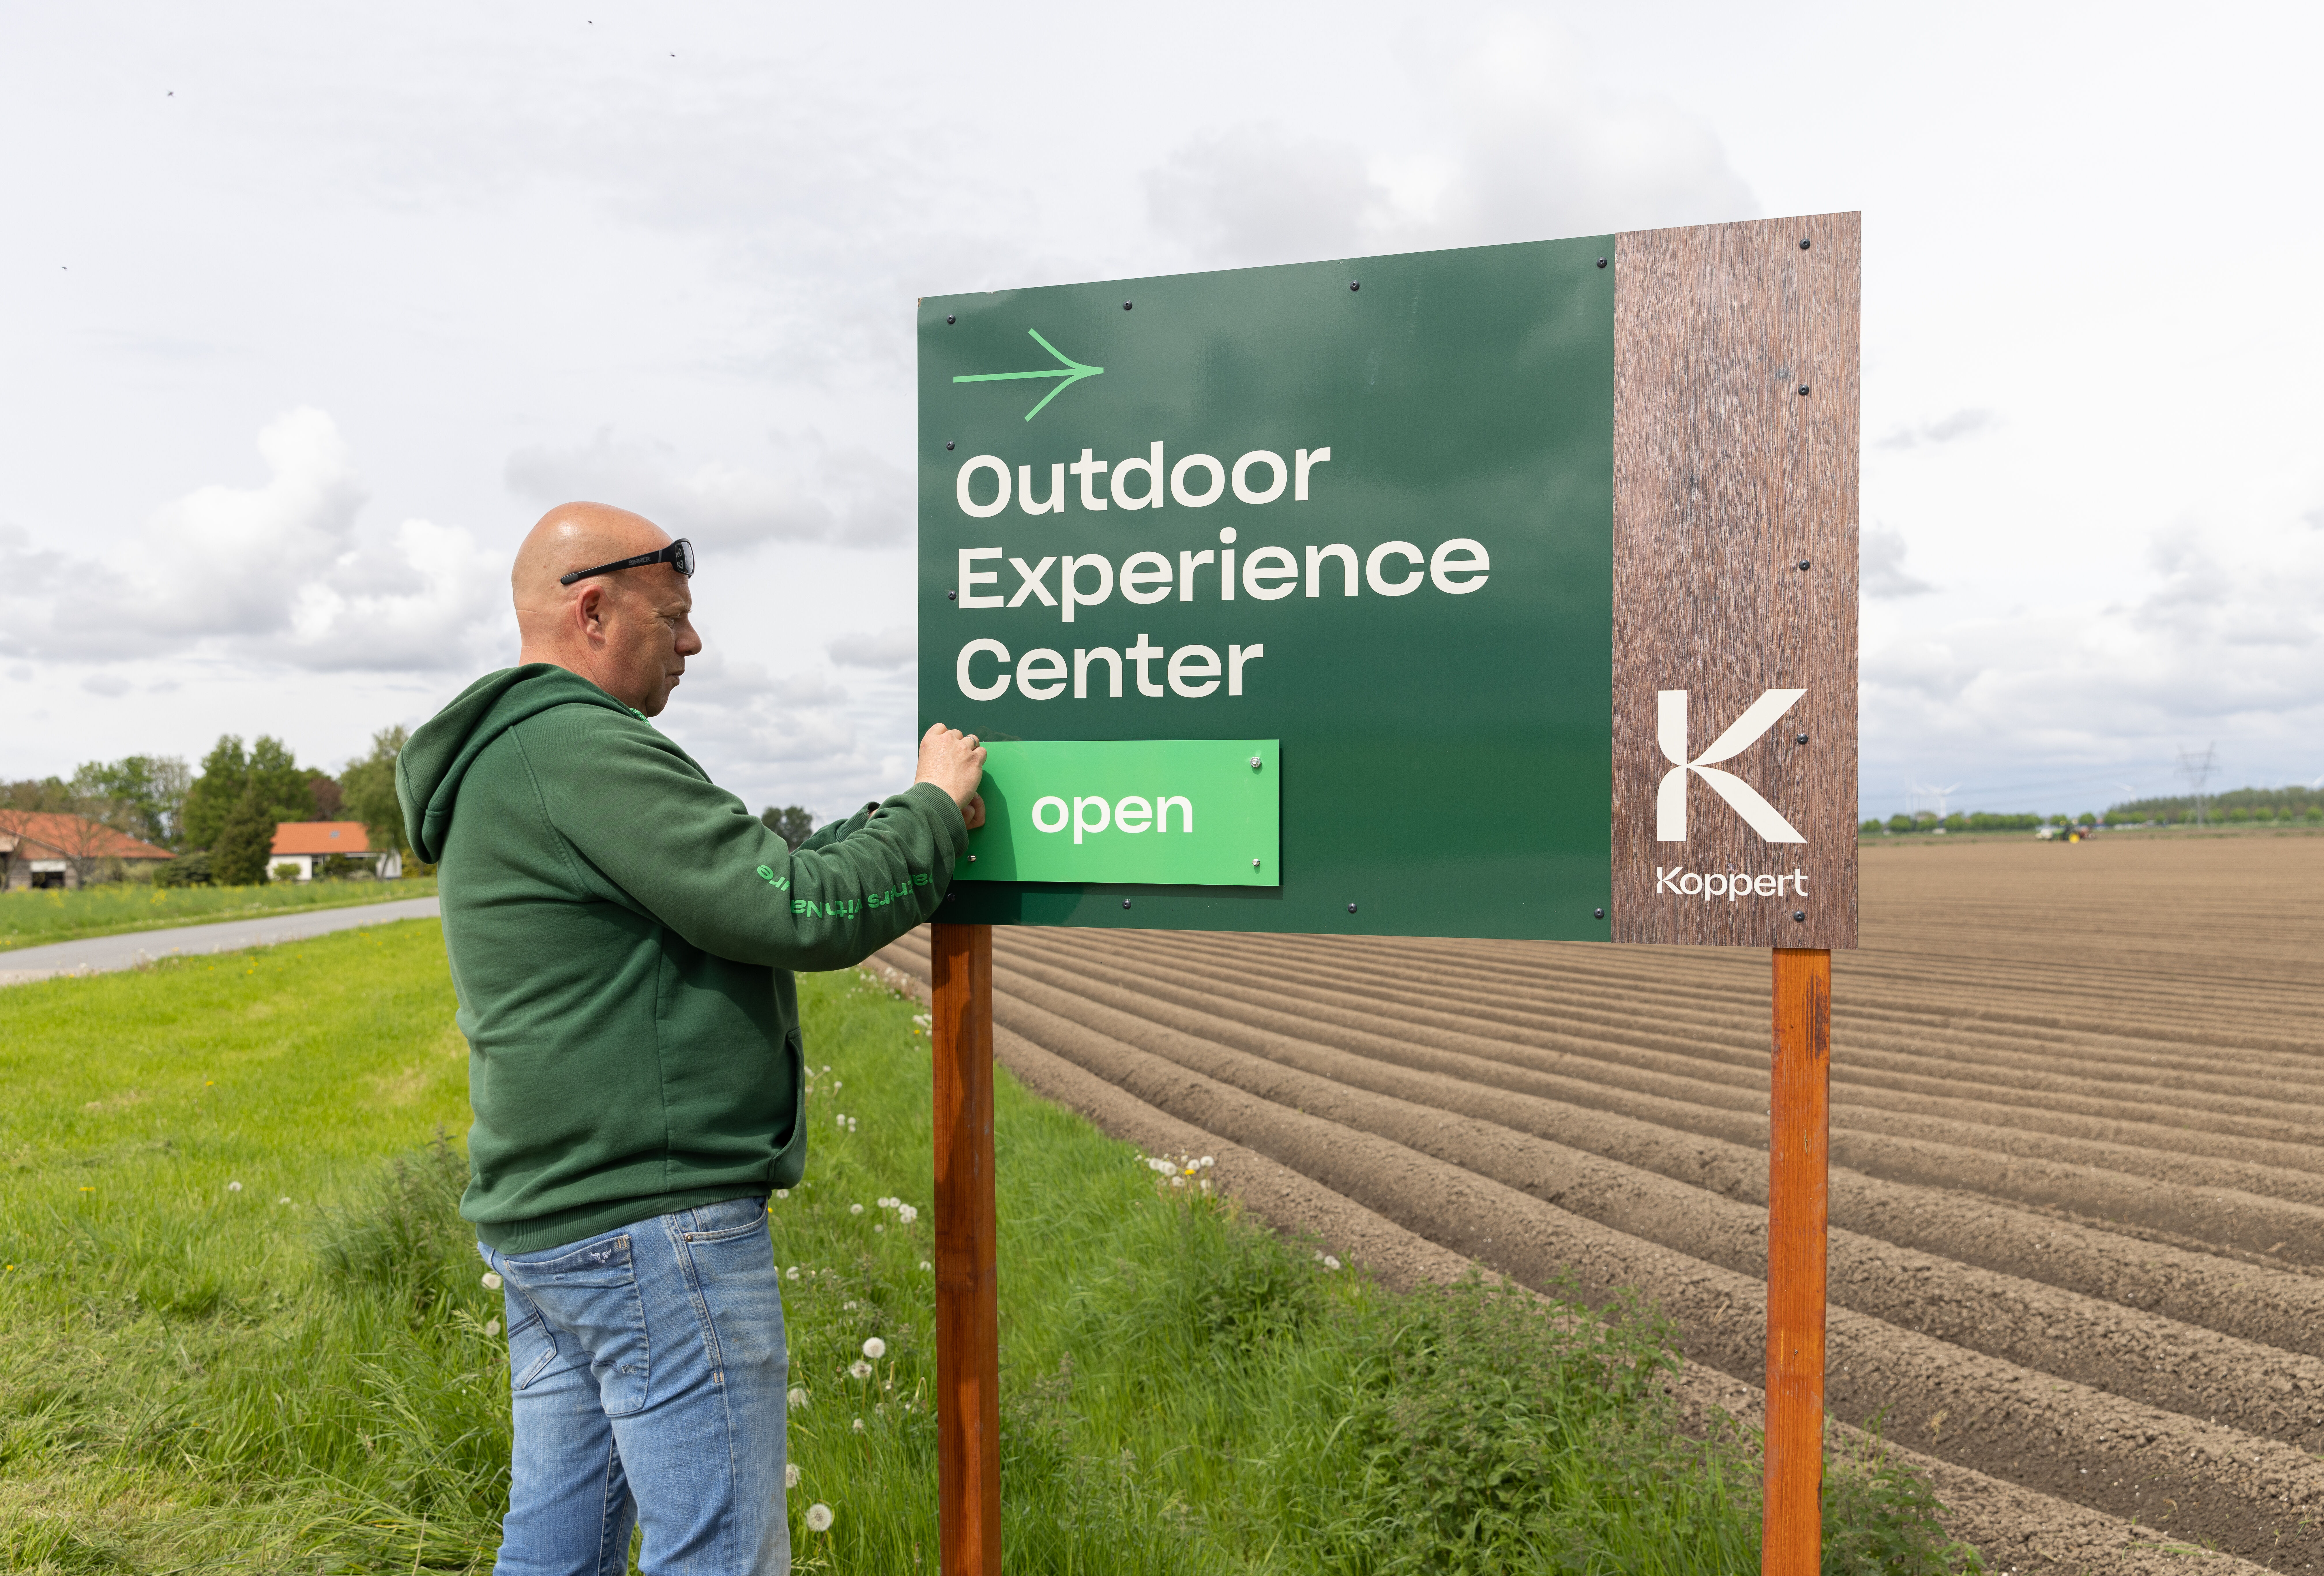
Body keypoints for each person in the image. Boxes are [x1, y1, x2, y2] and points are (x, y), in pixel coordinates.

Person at [396, 502, 984, 1576]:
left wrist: (890, 817)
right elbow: (800, 911)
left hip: (555, 1224)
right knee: (717, 1556)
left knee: (556, 1547)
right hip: (648, 1227)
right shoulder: (581, 747)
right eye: (674, 617)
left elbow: (758, 872)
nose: (694, 643)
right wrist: (935, 811)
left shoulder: (509, 757)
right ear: (592, 610)